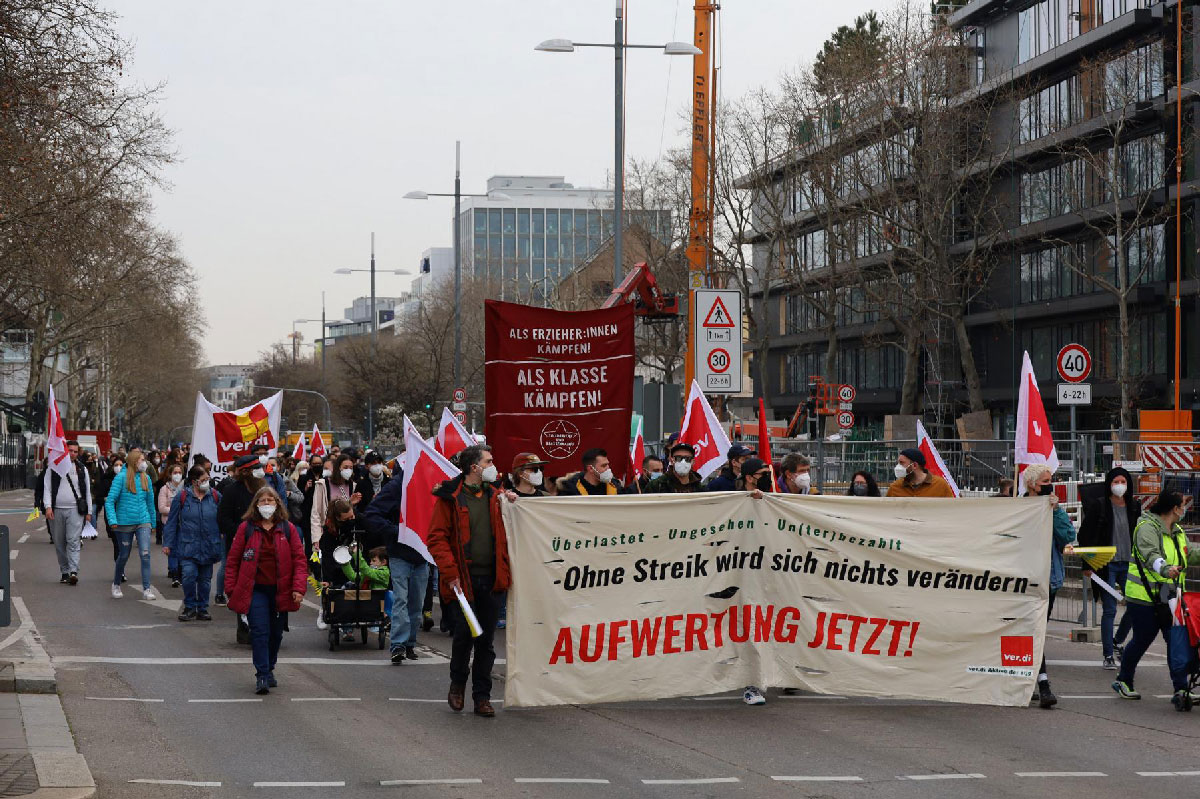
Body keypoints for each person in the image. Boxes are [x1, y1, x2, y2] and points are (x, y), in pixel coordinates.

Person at [427, 444, 513, 717]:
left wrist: (512, 501)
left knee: (486, 641)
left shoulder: (496, 496)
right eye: (488, 461)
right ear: (474, 467)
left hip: (492, 579)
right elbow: (437, 538)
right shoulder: (450, 498)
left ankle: (482, 697)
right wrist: (450, 574)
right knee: (465, 636)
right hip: (462, 581)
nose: (493, 466)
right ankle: (457, 685)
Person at [1111, 489, 1199, 708]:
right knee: (1143, 639)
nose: (1185, 509)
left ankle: (1180, 688)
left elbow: (1189, 553)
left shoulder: (1177, 530)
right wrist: (1166, 569)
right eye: (1182, 505)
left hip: (1170, 597)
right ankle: (1124, 680)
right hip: (1144, 596)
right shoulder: (1146, 528)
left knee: (1175, 641)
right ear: (1173, 508)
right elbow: (1151, 555)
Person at [223, 487, 307, 694]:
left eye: (271, 500)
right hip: (255, 590)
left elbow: (299, 560)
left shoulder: (288, 529)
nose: (267, 504)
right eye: (263, 501)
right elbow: (233, 561)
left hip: (280, 590)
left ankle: (269, 668)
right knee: (259, 632)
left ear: (278, 504)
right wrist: (231, 588)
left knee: (276, 634)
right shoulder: (246, 528)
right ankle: (261, 674)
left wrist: (298, 587)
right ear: (256, 505)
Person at [362, 461, 432, 664]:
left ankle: (410, 643)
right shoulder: (396, 486)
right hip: (400, 553)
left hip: (421, 554)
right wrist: (397, 531)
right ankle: (398, 645)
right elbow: (371, 514)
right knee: (401, 599)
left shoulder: (428, 484)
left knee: (416, 603)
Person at [1024, 463, 1075, 709]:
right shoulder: (1017, 508)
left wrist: (1055, 512)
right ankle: (1037, 683)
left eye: (1050, 480)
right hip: (1021, 580)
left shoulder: (1054, 509)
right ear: (1031, 484)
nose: (1049, 485)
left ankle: (1039, 682)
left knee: (1038, 631)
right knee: (1028, 631)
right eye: (1045, 481)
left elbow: (1067, 537)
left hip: (1047, 580)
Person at [1077, 466, 1140, 669]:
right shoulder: (1100, 506)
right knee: (1110, 609)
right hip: (1106, 565)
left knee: (1134, 606)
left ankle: (1116, 641)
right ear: (1109, 484)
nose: (1120, 486)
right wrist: (1087, 563)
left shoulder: (1133, 506)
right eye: (1116, 482)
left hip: (1128, 564)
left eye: (1123, 482)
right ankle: (1108, 655)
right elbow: (1085, 535)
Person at [163, 465, 223, 621]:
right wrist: (167, 543)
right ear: (195, 481)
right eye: (203, 480)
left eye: (208, 479)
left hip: (209, 546)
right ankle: (190, 606)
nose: (206, 482)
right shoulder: (182, 497)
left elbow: (224, 518)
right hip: (188, 545)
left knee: (205, 581)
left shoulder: (216, 496)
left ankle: (202, 608)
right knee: (188, 576)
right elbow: (172, 522)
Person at [217, 455, 265, 627]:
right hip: (241, 545)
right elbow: (223, 519)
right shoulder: (231, 491)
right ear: (246, 472)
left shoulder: (264, 490)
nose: (261, 471)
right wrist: (242, 533)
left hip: (264, 546)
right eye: (256, 468)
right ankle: (244, 623)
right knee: (242, 584)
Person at [105, 449, 158, 600]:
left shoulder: (146, 478)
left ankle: (147, 589)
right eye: (141, 460)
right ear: (134, 461)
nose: (144, 463)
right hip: (124, 523)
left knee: (145, 554)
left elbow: (150, 502)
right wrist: (112, 520)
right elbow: (110, 501)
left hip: (143, 521)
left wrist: (153, 523)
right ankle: (116, 584)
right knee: (124, 555)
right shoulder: (121, 478)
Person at [42, 439, 92, 585]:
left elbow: (87, 491)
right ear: (65, 450)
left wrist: (88, 511)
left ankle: (73, 571)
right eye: (70, 450)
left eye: (75, 451)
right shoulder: (53, 467)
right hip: (56, 510)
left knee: (73, 540)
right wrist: (48, 506)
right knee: (59, 542)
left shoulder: (82, 469)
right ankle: (64, 571)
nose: (73, 454)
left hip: (75, 510)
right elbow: (47, 487)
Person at [310, 454, 363, 555]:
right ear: (338, 468)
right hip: (328, 532)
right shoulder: (323, 484)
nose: (348, 470)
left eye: (351, 468)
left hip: (347, 534)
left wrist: (351, 503)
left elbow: (348, 512)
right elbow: (316, 512)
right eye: (345, 467)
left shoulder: (353, 485)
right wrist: (316, 538)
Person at [885, 448, 955, 498]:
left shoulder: (940, 485)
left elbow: (951, 510)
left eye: (902, 463)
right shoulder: (895, 487)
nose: (898, 466)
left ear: (915, 465)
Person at [158, 463, 186, 587]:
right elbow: (162, 508)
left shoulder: (186, 489)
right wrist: (175, 509)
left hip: (183, 523)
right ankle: (174, 573)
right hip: (169, 523)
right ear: (170, 474)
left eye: (179, 472)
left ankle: (180, 572)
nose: (177, 475)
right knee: (172, 548)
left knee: (182, 548)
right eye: (175, 472)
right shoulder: (165, 489)